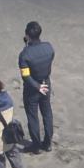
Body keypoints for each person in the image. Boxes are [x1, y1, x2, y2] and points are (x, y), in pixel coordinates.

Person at [19, 21, 55, 153]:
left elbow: (26, 76)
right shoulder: (49, 47)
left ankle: (36, 145)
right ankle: (48, 142)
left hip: (32, 88)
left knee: (32, 116)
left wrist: (36, 86)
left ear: (27, 35)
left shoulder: (25, 54)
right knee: (47, 113)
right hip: (46, 83)